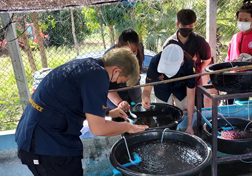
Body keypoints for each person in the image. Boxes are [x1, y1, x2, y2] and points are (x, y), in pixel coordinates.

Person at [15, 48, 148, 176]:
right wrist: (129, 127)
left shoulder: (88, 67)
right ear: (116, 70)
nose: (116, 84)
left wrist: (110, 113)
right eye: (120, 81)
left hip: (34, 138)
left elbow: (79, 103)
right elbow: (98, 128)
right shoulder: (98, 75)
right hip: (46, 147)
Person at [163, 9, 213, 108]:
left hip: (195, 83)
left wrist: (198, 70)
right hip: (177, 85)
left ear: (194, 25)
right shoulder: (169, 44)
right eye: (184, 26)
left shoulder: (200, 41)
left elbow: (207, 60)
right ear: (177, 24)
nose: (187, 28)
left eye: (190, 26)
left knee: (197, 111)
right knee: (180, 111)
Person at [142, 44, 196, 134]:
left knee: (184, 109)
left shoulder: (189, 65)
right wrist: (146, 98)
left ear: (181, 63)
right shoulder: (155, 61)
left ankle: (185, 126)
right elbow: (147, 89)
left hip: (181, 88)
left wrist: (190, 126)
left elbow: (191, 97)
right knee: (163, 115)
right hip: (162, 89)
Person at [106, 28, 144, 112]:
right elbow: (108, 89)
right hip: (115, 93)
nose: (130, 55)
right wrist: (120, 102)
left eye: (133, 51)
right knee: (119, 115)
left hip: (133, 87)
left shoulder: (140, 48)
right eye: (127, 51)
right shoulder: (110, 58)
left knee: (137, 110)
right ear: (119, 47)